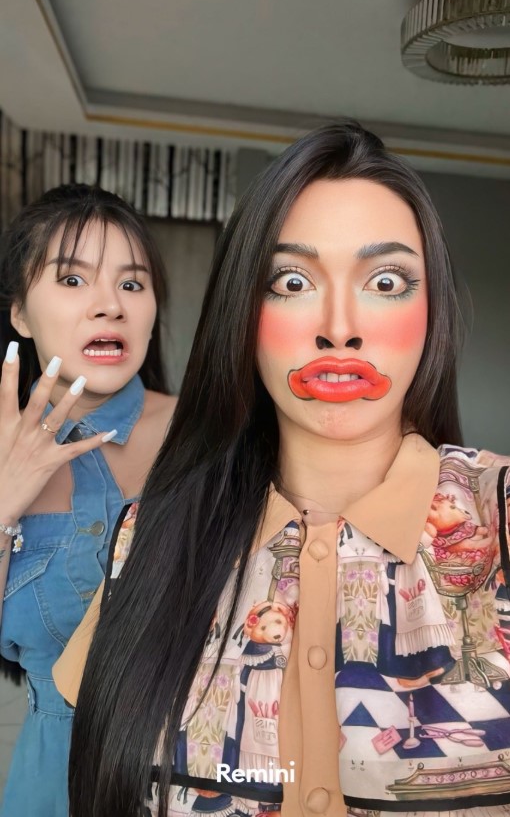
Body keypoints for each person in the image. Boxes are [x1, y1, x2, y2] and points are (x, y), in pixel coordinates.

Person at [55, 123, 510, 817]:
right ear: (243, 310)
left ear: (432, 311)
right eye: (293, 281)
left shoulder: (497, 518)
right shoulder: (149, 538)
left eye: (386, 282)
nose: (339, 327)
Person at [0, 184, 177, 817]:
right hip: (49, 788)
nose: (110, 305)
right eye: (72, 280)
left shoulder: (214, 439)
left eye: (132, 284)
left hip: (199, 779)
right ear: (21, 314)